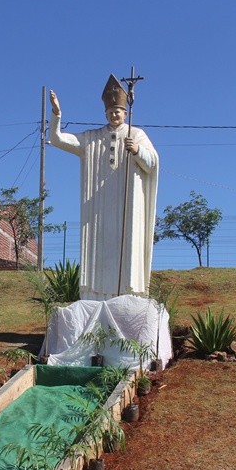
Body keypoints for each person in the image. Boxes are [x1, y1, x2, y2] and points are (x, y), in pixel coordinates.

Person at [49, 75, 159, 301]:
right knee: (99, 249)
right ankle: (96, 294)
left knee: (127, 246)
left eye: (118, 111)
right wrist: (57, 115)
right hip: (99, 211)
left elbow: (153, 163)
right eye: (110, 111)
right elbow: (58, 139)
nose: (114, 114)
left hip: (128, 206)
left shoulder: (136, 134)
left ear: (125, 113)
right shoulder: (92, 138)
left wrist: (137, 150)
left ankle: (129, 293)